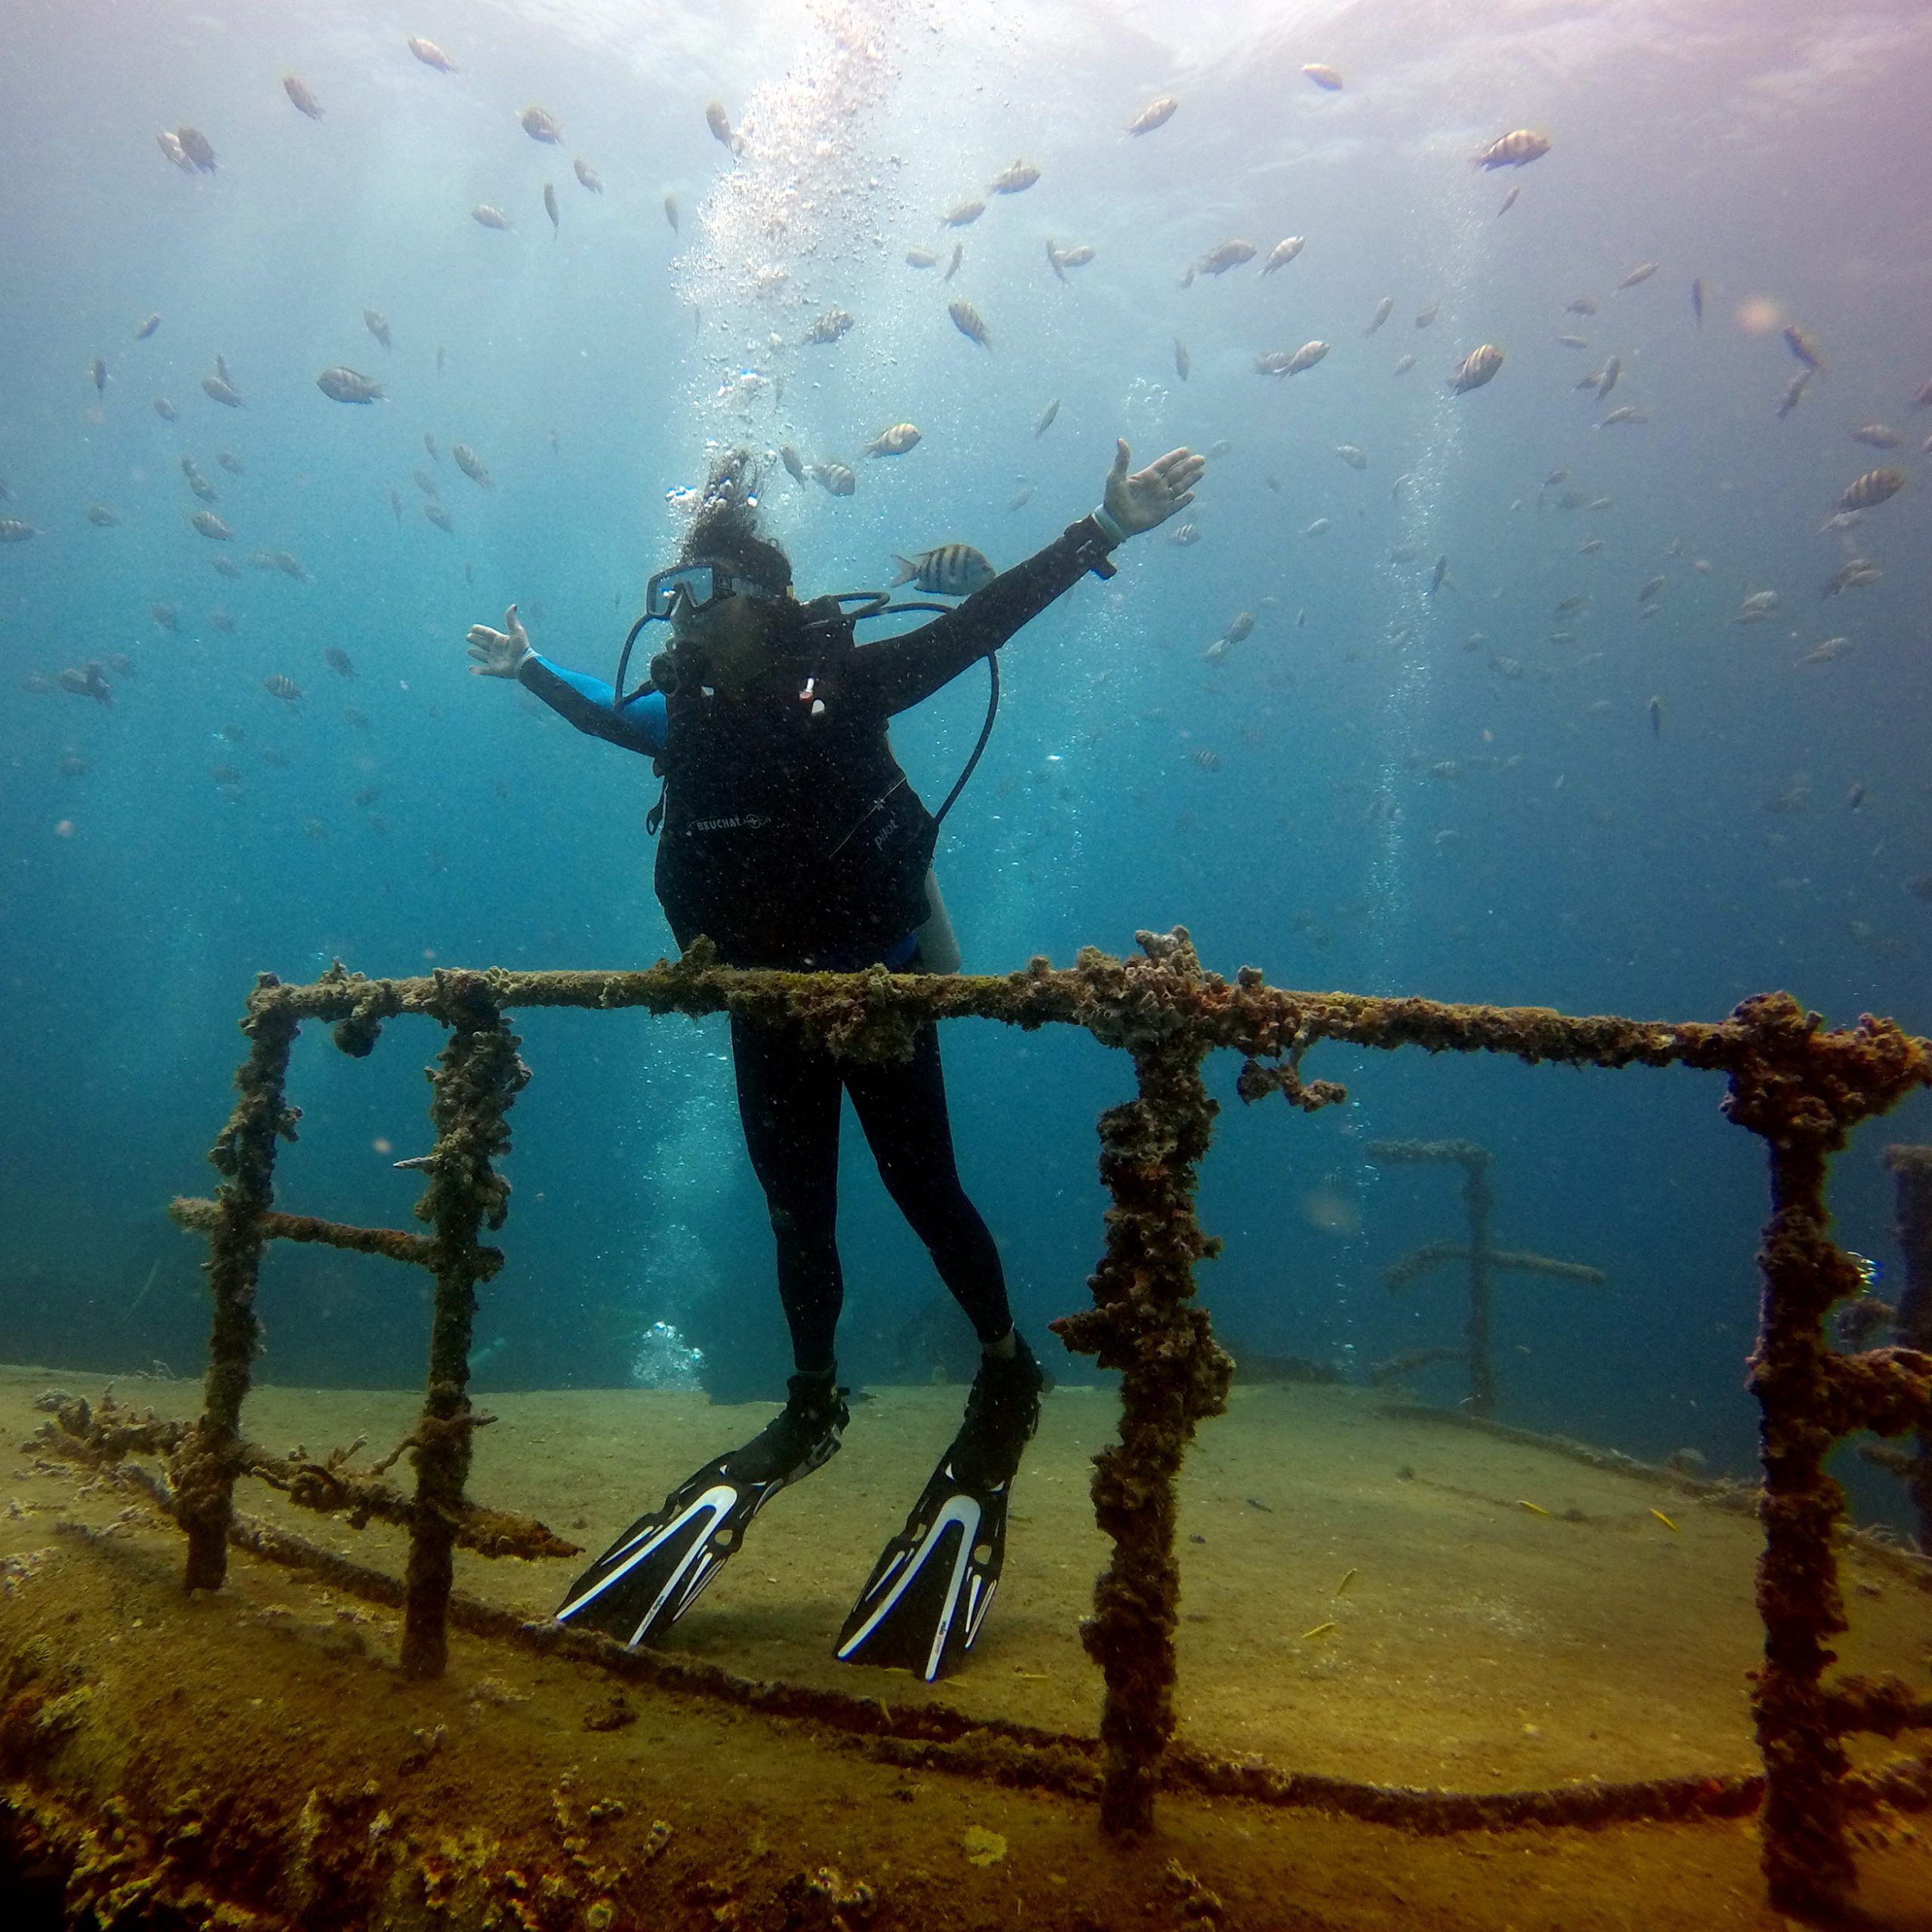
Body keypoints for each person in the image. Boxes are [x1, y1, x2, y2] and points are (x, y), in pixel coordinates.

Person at [466, 437, 1204, 1679]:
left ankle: (1006, 1372)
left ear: (760, 603)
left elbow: (979, 623)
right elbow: (612, 710)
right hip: (764, 1000)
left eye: (701, 599)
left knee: (925, 1193)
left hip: (877, 987)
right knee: (794, 1215)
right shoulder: (685, 718)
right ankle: (811, 1402)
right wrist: (531, 666)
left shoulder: (845, 682)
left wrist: (1104, 529)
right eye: (675, 598)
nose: (680, 623)